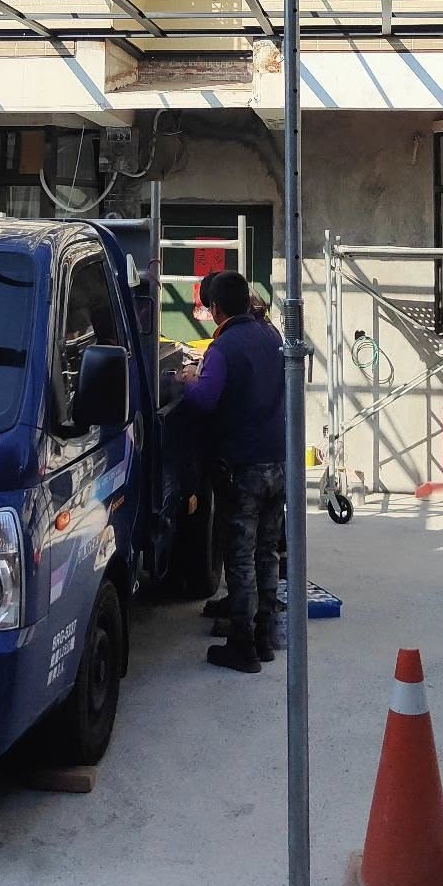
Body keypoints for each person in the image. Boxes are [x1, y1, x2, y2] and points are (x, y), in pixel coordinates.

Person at [178, 268, 286, 674]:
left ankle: (243, 645)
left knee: (239, 556)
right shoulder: (270, 336)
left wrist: (187, 380)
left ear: (216, 308)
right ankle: (265, 635)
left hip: (243, 468)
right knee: (267, 552)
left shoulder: (224, 347)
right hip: (278, 462)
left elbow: (205, 400)